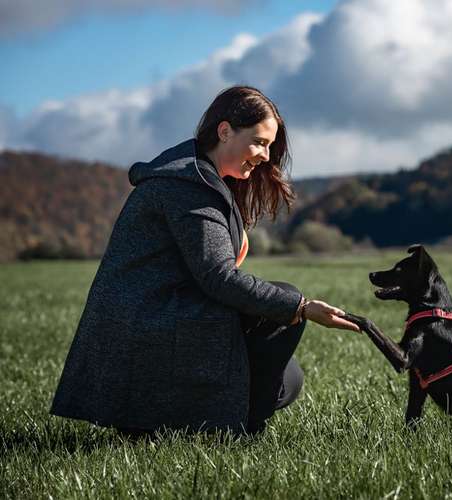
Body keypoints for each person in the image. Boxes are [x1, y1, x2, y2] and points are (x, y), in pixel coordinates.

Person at [50, 86, 360, 436]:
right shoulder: (188, 186)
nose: (265, 156)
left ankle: (174, 422)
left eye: (270, 146)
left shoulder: (199, 177)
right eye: (259, 142)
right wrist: (301, 306)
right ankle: (237, 431)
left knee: (288, 378)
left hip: (159, 323)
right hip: (150, 330)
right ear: (225, 131)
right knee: (281, 306)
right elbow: (219, 277)